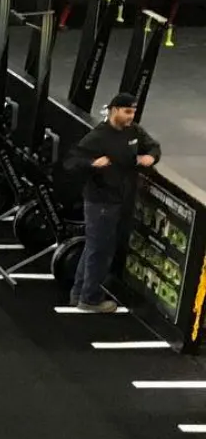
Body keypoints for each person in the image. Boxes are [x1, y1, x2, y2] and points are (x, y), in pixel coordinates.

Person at [63, 92, 161, 313]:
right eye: (127, 111)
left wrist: (151, 157)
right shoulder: (97, 137)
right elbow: (71, 162)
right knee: (101, 250)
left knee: (93, 247)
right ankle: (90, 299)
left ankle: (78, 293)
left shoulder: (133, 131)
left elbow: (153, 146)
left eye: (134, 112)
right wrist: (92, 163)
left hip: (118, 200)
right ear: (115, 110)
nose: (131, 116)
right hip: (100, 202)